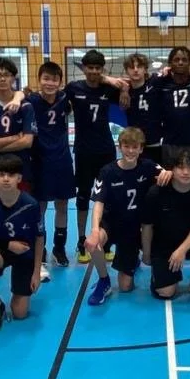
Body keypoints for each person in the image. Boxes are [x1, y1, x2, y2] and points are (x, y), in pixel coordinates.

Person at [85, 128, 171, 306]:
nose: (130, 151)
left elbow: (167, 173)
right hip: (111, 222)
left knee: (125, 287)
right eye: (126, 146)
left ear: (141, 149)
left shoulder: (148, 166)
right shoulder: (107, 171)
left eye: (135, 147)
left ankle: (133, 260)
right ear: (120, 147)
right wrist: (94, 230)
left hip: (133, 228)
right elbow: (98, 203)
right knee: (92, 243)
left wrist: (168, 173)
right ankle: (104, 281)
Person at [67, 50, 130, 264]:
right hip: (83, 151)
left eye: (97, 68)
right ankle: (81, 242)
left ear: (102, 69)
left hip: (105, 150)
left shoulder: (108, 89)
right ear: (84, 68)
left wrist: (120, 87)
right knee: (83, 197)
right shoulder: (73, 88)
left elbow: (126, 87)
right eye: (90, 67)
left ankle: (107, 242)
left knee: (108, 198)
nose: (93, 71)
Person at [0, 155, 45, 332]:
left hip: (25, 255)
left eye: (11, 175)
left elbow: (39, 238)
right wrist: (7, 245)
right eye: (1, 174)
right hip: (0, 251)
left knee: (20, 313)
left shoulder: (31, 205)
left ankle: (19, 290)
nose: (6, 179)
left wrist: (36, 272)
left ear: (19, 178)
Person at [141, 148, 190, 303]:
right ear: (172, 170)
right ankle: (164, 274)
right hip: (163, 242)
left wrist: (181, 250)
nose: (186, 172)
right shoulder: (156, 192)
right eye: (181, 167)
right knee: (165, 293)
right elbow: (147, 225)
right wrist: (147, 254)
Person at [28, 61, 76, 269]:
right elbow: (17, 95)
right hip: (39, 161)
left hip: (62, 159)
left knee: (62, 205)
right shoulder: (31, 100)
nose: (50, 83)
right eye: (46, 79)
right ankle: (42, 248)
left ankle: (59, 248)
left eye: (54, 79)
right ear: (39, 80)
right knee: (40, 207)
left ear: (60, 82)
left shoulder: (64, 98)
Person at [0, 58, 39, 195]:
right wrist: (14, 138)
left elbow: (27, 142)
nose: (3, 79)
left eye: (7, 75)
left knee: (23, 207)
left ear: (13, 78)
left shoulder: (26, 107)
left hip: (20, 170)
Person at [148, 47, 190, 165]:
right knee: (169, 175)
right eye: (176, 60)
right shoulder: (162, 81)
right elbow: (146, 81)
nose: (180, 62)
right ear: (170, 63)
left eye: (184, 60)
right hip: (170, 143)